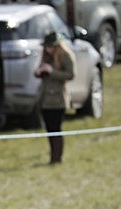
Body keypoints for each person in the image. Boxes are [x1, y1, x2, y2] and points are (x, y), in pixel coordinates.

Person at [34, 31, 75, 165]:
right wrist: (40, 71)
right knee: (49, 129)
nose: (47, 49)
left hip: (58, 99)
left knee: (56, 129)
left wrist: (52, 72)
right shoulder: (46, 57)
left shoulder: (65, 56)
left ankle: (57, 158)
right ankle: (52, 155)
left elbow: (70, 75)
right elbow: (38, 73)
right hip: (45, 99)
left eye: (50, 46)